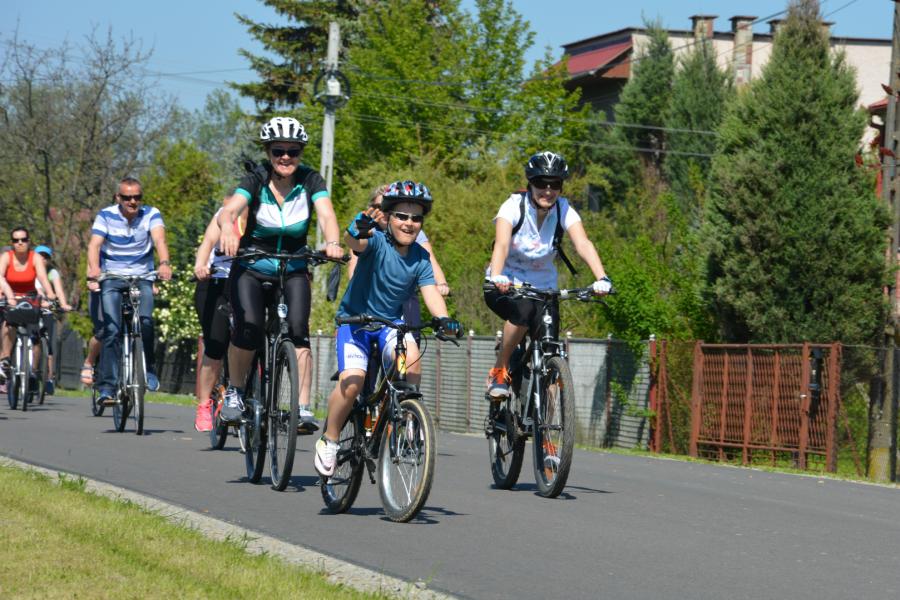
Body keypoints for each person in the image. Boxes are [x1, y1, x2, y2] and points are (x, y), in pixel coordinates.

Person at [314, 180, 462, 478]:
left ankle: (407, 419)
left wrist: (444, 319)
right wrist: (357, 229)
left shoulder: (421, 257)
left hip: (390, 325)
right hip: (355, 324)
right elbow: (355, 243)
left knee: (412, 360)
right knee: (353, 383)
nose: (409, 223)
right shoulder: (377, 241)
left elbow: (431, 292)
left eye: (416, 218)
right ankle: (329, 438)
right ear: (389, 217)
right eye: (401, 216)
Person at [217, 116, 343, 429]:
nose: (286, 157)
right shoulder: (256, 179)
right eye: (278, 151)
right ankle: (235, 392)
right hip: (252, 266)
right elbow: (230, 210)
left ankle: (302, 408)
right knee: (249, 327)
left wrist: (332, 242)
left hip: (293, 266)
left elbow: (327, 215)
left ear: (300, 153)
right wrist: (228, 229)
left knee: (298, 331)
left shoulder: (311, 180)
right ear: (268, 152)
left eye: (293, 151)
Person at [484, 151, 612, 399]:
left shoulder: (564, 209)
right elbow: (501, 244)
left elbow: (583, 243)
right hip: (507, 284)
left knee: (550, 348)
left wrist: (602, 278)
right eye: (541, 183)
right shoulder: (513, 206)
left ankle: (548, 422)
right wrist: (497, 275)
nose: (548, 190)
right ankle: (500, 369)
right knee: (522, 312)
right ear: (531, 183)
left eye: (555, 184)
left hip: (545, 289)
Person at [87, 177, 172, 405]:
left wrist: (164, 263)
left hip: (142, 276)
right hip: (112, 277)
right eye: (127, 197)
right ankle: (107, 388)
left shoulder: (151, 214)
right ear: (118, 198)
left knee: (146, 322)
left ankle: (149, 370)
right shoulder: (106, 215)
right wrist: (94, 269)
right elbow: (95, 245)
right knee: (112, 329)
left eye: (137, 197)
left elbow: (160, 240)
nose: (132, 201)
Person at [347, 185, 451, 331]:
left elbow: (429, 261)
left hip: (402, 296)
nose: (409, 222)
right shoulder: (369, 231)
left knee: (410, 337)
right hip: (367, 299)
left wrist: (441, 283)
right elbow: (354, 251)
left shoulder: (411, 231)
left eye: (416, 218)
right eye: (379, 207)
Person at [191, 203, 244, 432]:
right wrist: (201, 264)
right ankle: (204, 404)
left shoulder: (269, 217)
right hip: (217, 280)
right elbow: (207, 243)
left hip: (249, 281)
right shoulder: (225, 215)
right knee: (216, 344)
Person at [0, 227, 57, 389]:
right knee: (9, 324)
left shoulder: (35, 258)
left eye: (23, 240)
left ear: (29, 241)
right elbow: (0, 277)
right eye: (16, 240)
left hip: (30, 296)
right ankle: (5, 359)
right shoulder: (6, 257)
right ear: (12, 243)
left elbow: (43, 277)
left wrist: (50, 294)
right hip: (10, 294)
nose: (20, 243)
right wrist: (9, 295)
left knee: (35, 332)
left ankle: (33, 371)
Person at [33, 245, 73, 395]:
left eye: (46, 257)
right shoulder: (30, 270)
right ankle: (30, 373)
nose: (42, 259)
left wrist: (63, 304)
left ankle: (49, 378)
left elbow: (59, 290)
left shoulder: (52, 272)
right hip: (32, 306)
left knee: (49, 345)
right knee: (32, 340)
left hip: (47, 308)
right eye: (40, 256)